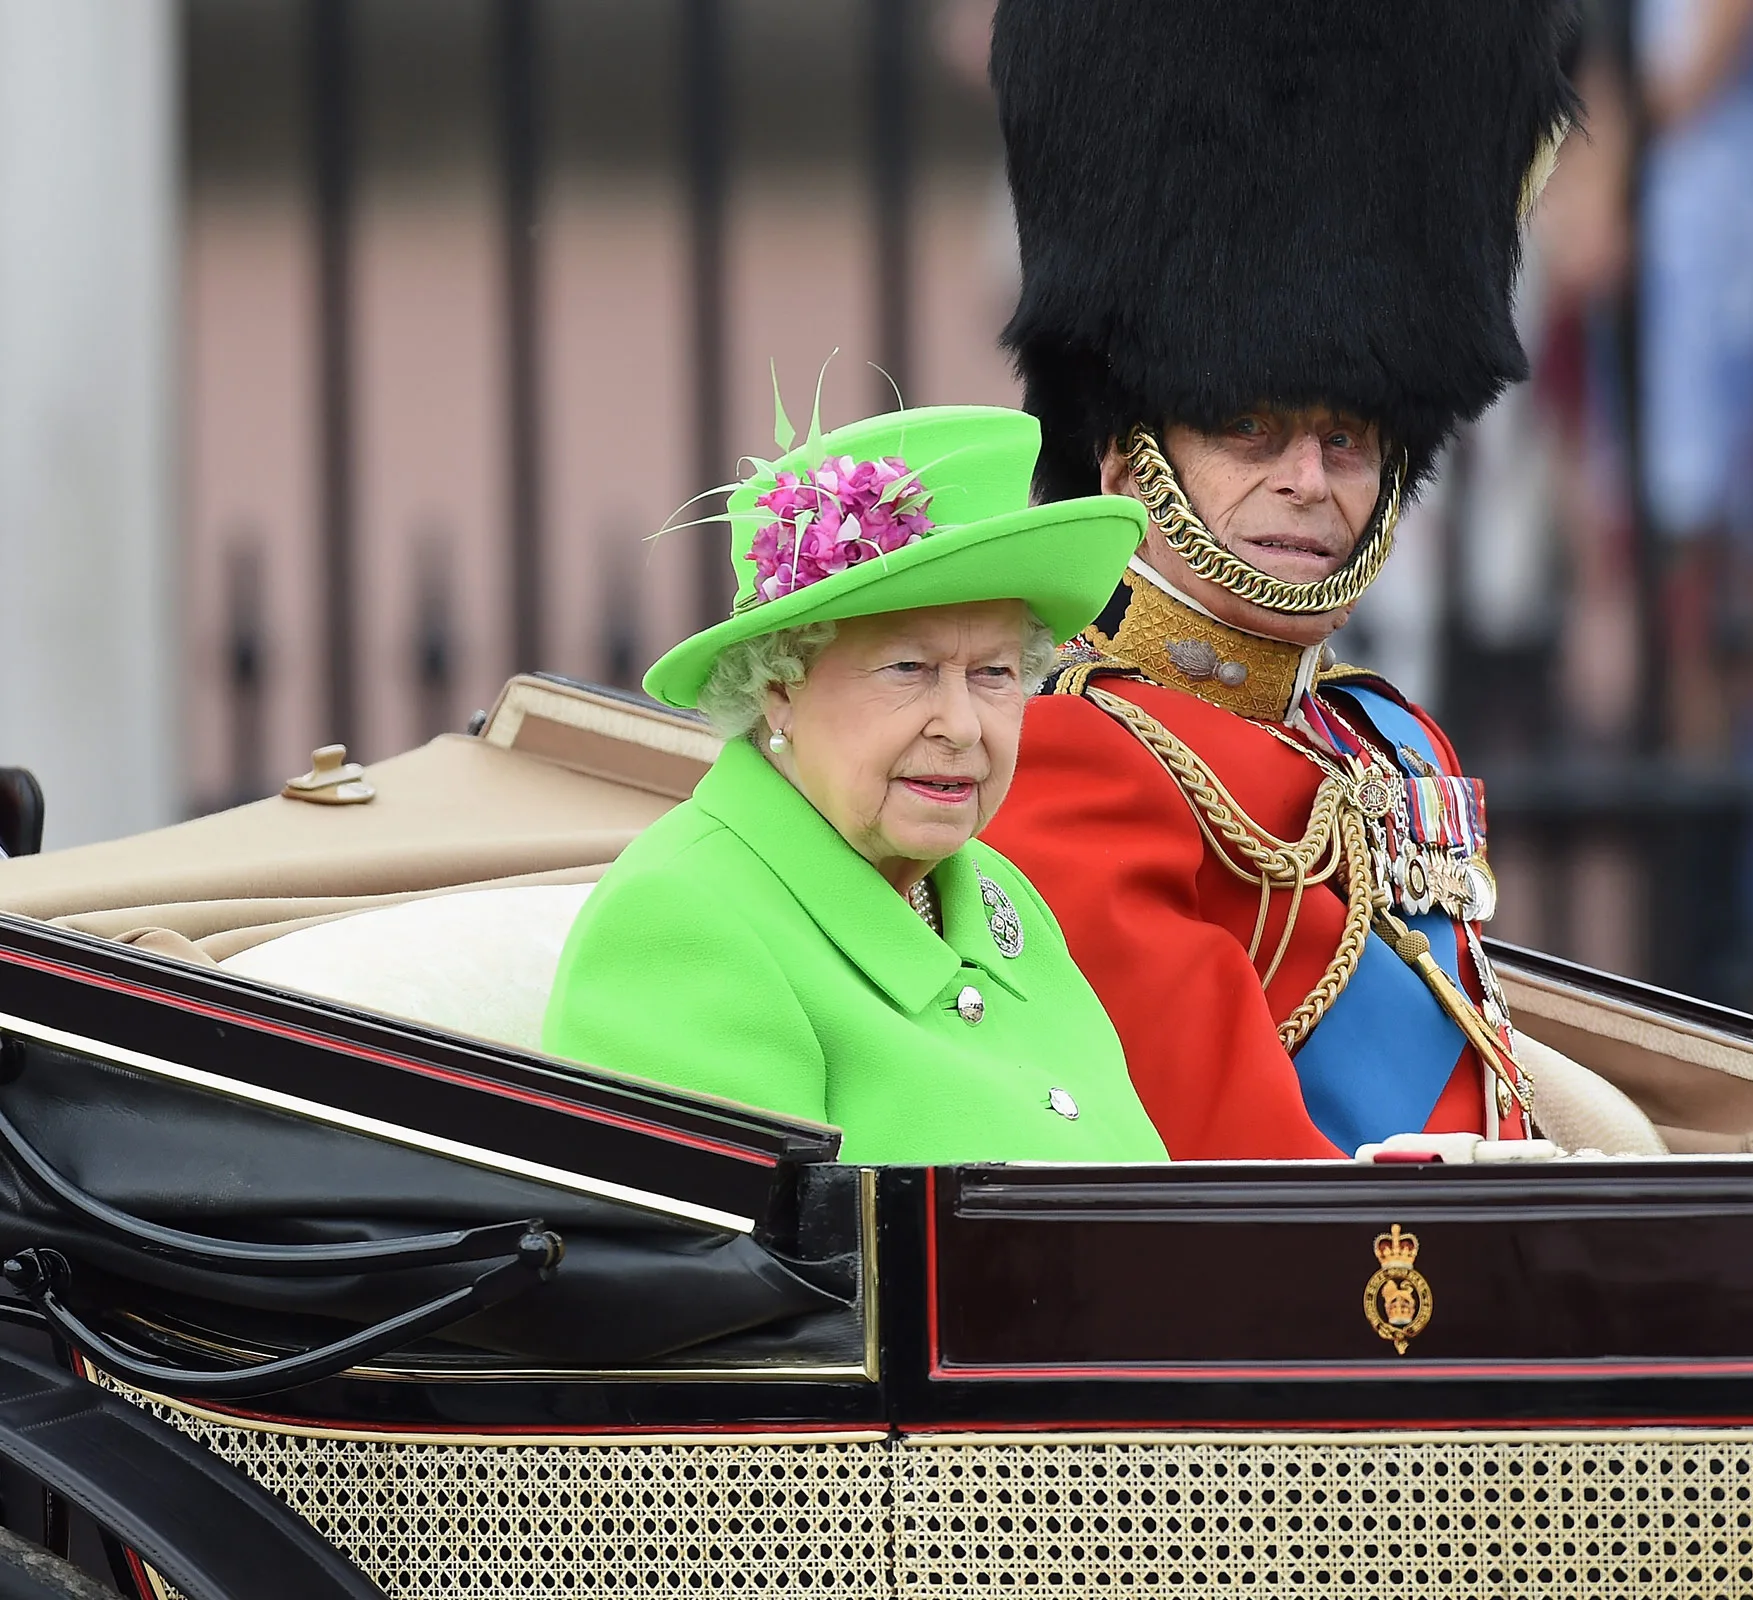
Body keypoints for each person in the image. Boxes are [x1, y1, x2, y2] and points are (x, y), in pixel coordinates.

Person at [980, 0, 1580, 1159]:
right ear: (1127, 456)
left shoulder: (1387, 741)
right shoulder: (1080, 763)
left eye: (1347, 439)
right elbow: (1249, 1185)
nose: (1311, 479)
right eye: (1250, 429)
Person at [542, 405, 1167, 1166]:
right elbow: (737, 1279)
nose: (963, 726)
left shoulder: (999, 894)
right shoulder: (682, 920)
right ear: (781, 684)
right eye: (908, 669)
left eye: (994, 673)